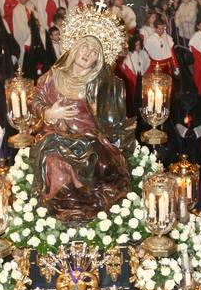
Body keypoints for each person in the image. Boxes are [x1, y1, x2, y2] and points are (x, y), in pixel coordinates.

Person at [30, 11, 135, 221]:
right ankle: (68, 208)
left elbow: (113, 119)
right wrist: (49, 112)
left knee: (105, 168)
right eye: (85, 46)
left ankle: (84, 205)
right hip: (55, 137)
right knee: (55, 163)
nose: (88, 53)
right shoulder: (55, 75)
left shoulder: (100, 84)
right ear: (75, 47)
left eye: (95, 52)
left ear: (99, 59)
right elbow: (36, 97)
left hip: (89, 141)